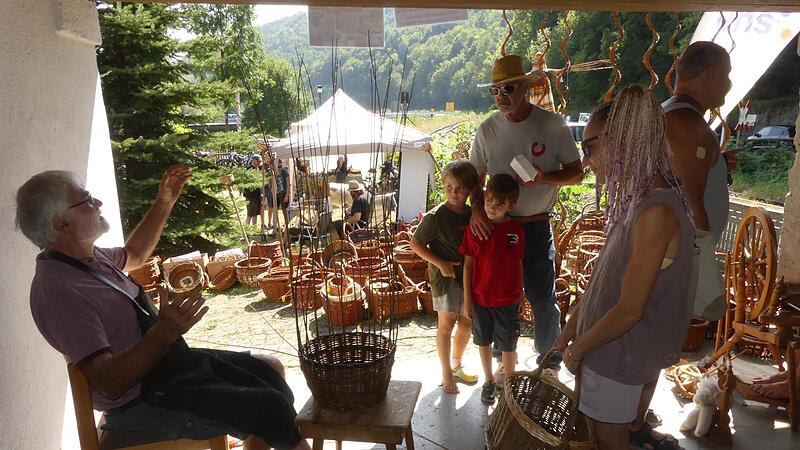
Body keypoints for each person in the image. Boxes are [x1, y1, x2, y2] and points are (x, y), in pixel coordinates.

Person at [15, 166, 310, 450]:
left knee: (269, 371)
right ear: (60, 223)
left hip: (169, 371)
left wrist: (164, 201)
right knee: (268, 408)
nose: (98, 202)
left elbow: (135, 254)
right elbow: (111, 382)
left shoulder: (90, 260)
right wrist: (164, 332)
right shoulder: (61, 292)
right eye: (87, 199)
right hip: (142, 401)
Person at [555, 86, 694, 450]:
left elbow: (631, 310)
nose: (586, 161)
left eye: (590, 147)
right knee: (595, 434)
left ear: (621, 142)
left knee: (607, 439)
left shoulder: (656, 212)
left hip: (619, 354)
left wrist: (578, 349)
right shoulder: (637, 201)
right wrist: (572, 325)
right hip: (606, 349)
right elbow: (605, 277)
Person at [469, 54, 583, 373]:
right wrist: (477, 208)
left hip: (535, 227)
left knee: (543, 299)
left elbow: (576, 174)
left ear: (525, 88)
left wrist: (544, 177)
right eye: (495, 90)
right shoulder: (487, 130)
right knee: (497, 296)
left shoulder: (551, 124)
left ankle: (549, 362)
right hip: (496, 229)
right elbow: (476, 181)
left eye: (508, 88)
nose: (500, 97)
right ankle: (503, 360)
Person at [410, 160, 480, 395]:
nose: (454, 193)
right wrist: (440, 263)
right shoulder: (436, 216)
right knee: (446, 326)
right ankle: (446, 373)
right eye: (449, 187)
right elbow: (415, 243)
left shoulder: (473, 214)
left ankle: (457, 364)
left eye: (460, 188)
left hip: (469, 277)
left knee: (467, 323)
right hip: (445, 279)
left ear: (470, 189)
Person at [461, 173, 525, 405]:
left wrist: (521, 292)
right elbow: (468, 266)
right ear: (484, 198)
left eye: (500, 204)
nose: (492, 207)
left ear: (511, 205)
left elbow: (518, 263)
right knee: (483, 341)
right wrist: (468, 299)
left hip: (507, 299)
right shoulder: (475, 228)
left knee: (508, 344)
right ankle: (489, 380)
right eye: (489, 200)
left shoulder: (516, 231)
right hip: (480, 299)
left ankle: (509, 384)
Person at [244, 155, 265, 228]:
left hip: (257, 195)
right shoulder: (248, 170)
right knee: (250, 214)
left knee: (255, 213)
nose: (259, 163)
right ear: (254, 160)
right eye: (258, 161)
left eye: (260, 162)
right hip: (250, 195)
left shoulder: (257, 169)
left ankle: (254, 229)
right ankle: (247, 229)